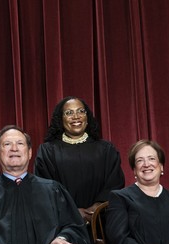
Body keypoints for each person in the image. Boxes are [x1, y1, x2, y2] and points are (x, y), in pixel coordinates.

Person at [34, 96, 124, 224]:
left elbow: (115, 182)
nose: (76, 116)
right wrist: (73, 211)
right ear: (61, 119)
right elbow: (44, 188)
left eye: (81, 111)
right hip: (63, 223)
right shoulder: (48, 151)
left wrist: (97, 207)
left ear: (87, 117)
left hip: (101, 222)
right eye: (69, 113)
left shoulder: (105, 149)